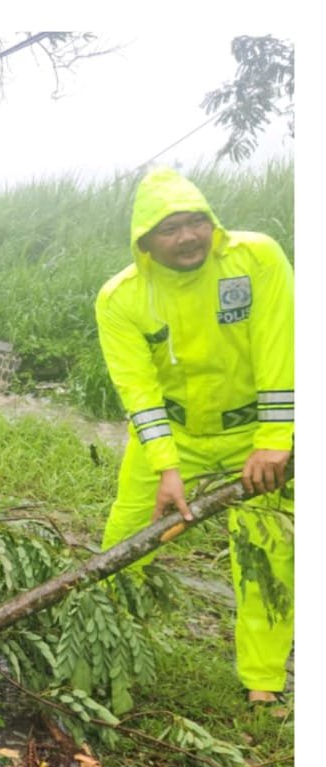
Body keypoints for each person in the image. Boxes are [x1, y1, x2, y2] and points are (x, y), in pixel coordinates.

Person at [96, 168, 294, 710]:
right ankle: (104, 652)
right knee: (124, 545)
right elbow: (138, 392)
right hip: (175, 436)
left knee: (267, 552)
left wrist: (276, 438)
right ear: (143, 242)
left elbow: (283, 345)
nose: (187, 237)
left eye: (196, 222)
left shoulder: (257, 259)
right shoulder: (121, 298)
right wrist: (166, 465)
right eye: (169, 229)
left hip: (254, 434)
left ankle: (263, 681)